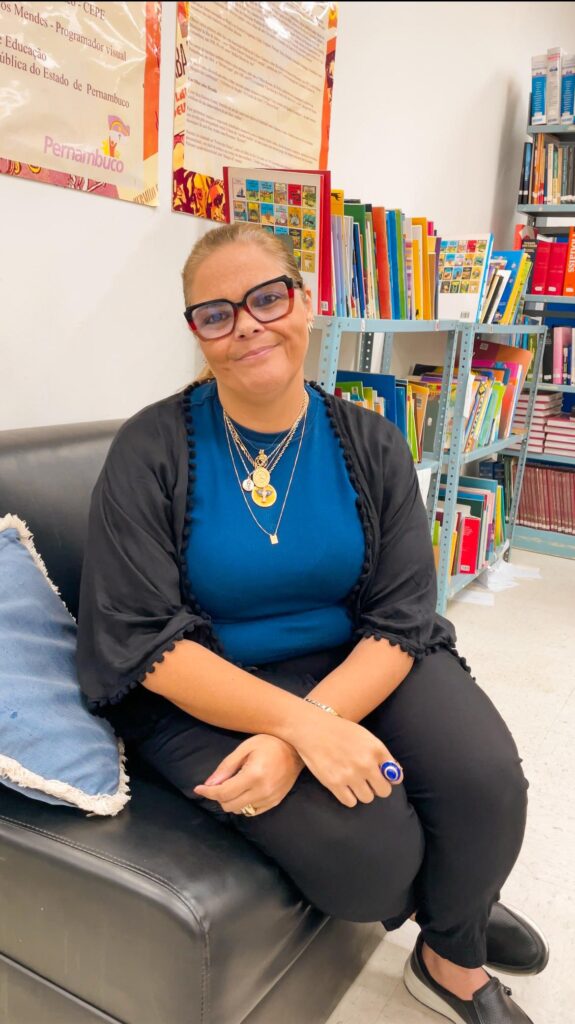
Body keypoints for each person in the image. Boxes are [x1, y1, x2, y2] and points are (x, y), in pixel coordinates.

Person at [77, 223, 547, 1024]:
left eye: (266, 297)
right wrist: (298, 726)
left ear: (306, 301)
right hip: (211, 684)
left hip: (358, 655)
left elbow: (401, 612)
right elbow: (141, 636)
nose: (247, 326)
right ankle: (455, 894)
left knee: (486, 785)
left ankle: (449, 950)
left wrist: (311, 724)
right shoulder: (149, 447)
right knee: (371, 860)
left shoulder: (369, 440)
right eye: (216, 314)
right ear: (195, 331)